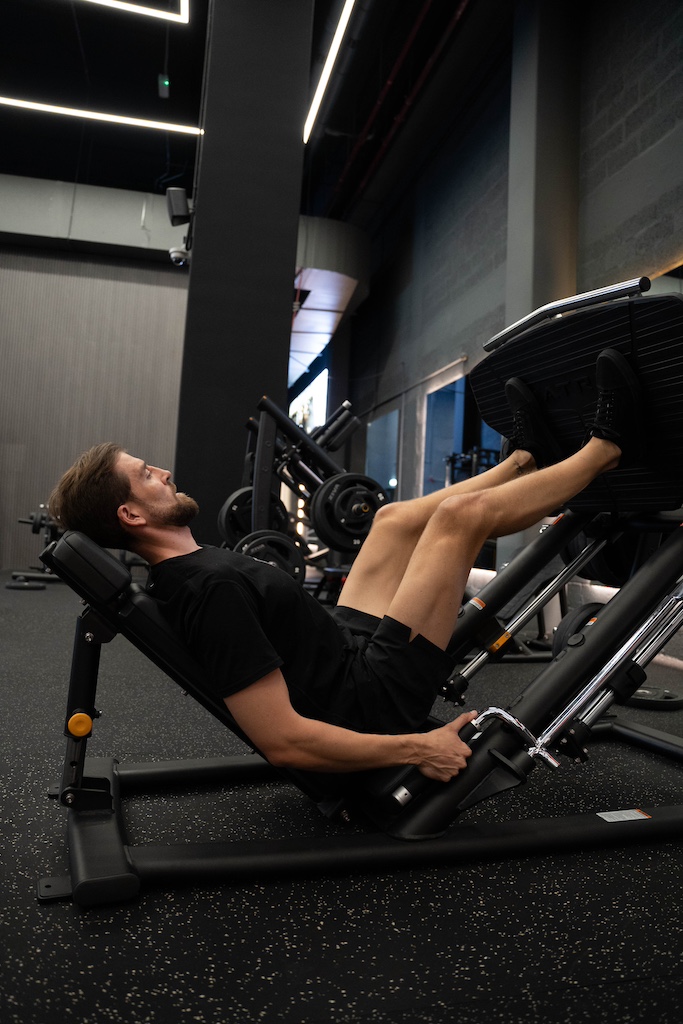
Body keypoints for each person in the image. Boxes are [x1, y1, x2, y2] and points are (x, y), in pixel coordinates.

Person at [49, 348, 642, 784]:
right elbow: (283, 740)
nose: (163, 471)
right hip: (373, 699)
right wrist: (417, 747)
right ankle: (605, 451)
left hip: (347, 651)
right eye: (146, 474)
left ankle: (522, 461)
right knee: (459, 520)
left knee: (389, 523)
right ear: (130, 514)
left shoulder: (193, 569)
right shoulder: (207, 592)